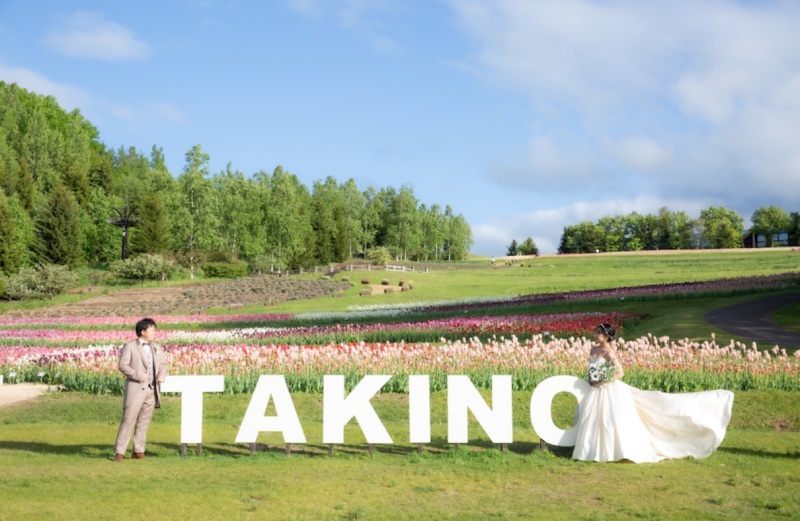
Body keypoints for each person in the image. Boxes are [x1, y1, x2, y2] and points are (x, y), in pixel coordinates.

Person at [572, 323, 734, 463]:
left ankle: (611, 451)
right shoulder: (593, 349)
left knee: (610, 420)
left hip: (608, 388)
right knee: (591, 417)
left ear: (607, 336)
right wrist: (591, 379)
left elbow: (620, 373)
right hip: (594, 389)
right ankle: (591, 449)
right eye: (596, 332)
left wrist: (604, 379)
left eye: (599, 333)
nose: (596, 334)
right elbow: (591, 368)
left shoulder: (610, 353)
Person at [114, 318, 167, 461]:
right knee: (128, 420)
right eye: (152, 330)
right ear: (143, 332)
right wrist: (138, 375)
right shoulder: (130, 346)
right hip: (136, 389)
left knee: (144, 421)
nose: (154, 332)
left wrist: (161, 376)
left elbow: (163, 364)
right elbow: (123, 365)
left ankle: (138, 450)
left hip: (152, 390)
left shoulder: (156, 347)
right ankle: (119, 452)